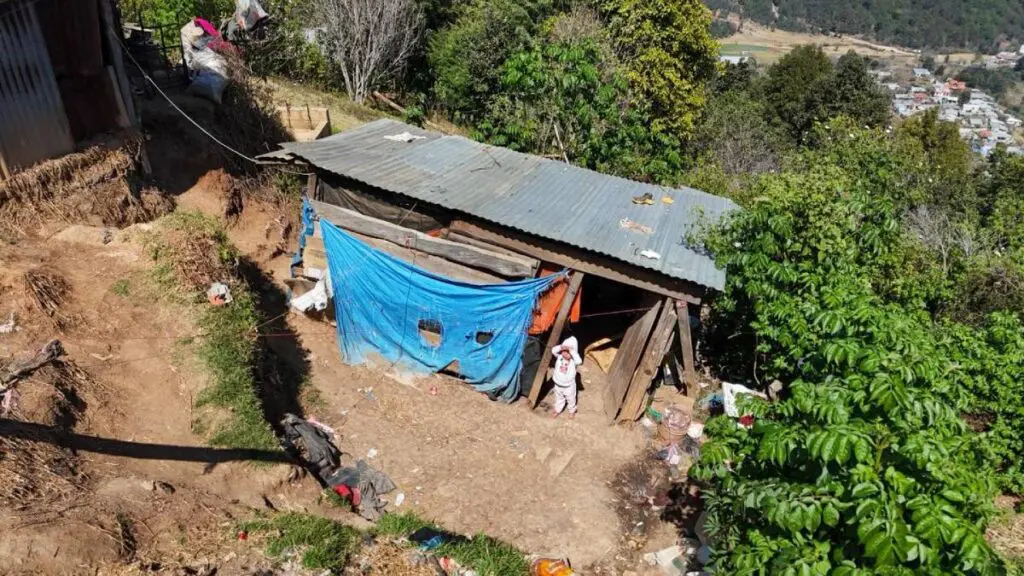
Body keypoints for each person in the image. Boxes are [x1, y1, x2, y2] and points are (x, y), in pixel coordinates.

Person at [550, 336, 582, 418]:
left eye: (568, 352)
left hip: (569, 386)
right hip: (558, 384)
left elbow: (579, 361)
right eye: (564, 351)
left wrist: (571, 350)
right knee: (559, 398)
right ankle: (558, 409)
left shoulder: (573, 361)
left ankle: (572, 410)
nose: (566, 353)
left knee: (571, 399)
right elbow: (553, 350)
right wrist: (561, 347)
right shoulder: (559, 357)